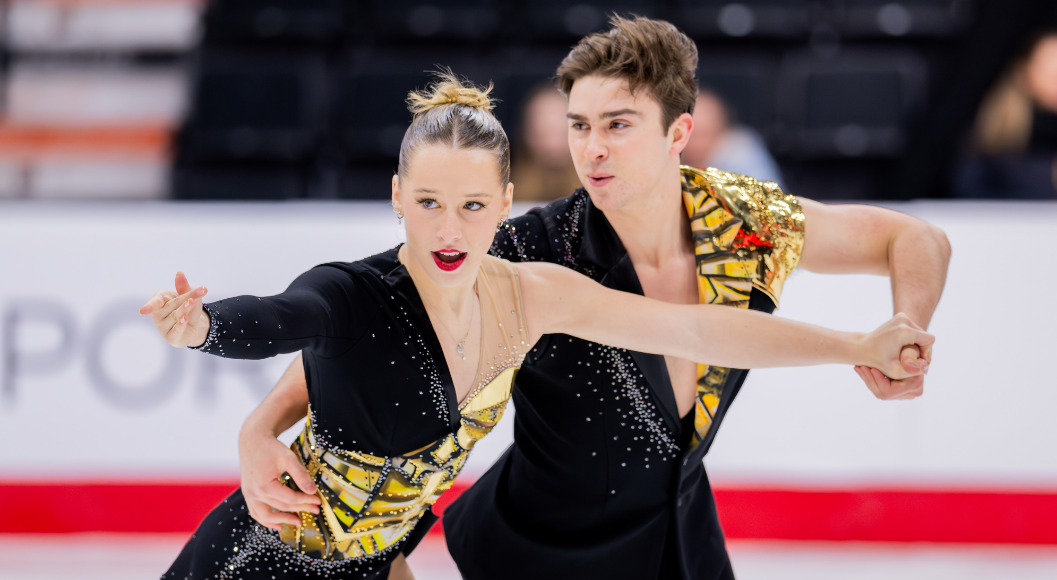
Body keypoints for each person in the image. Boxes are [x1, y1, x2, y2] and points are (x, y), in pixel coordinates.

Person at [239, 16, 952, 580]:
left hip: (681, 544)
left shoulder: (742, 221)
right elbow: (374, 314)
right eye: (580, 125)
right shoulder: (529, 249)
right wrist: (261, 427)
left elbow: (914, 239)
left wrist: (905, 327)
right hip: (537, 555)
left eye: (618, 124)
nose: (592, 149)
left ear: (679, 132)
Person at [680, 89, 784, 185]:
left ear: (723, 132)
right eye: (690, 135)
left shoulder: (742, 155)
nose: (694, 144)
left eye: (702, 135)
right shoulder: (672, 155)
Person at [509, 83, 584, 202]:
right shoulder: (504, 191)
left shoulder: (602, 192)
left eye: (560, 133)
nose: (552, 144)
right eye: (543, 133)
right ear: (527, 132)